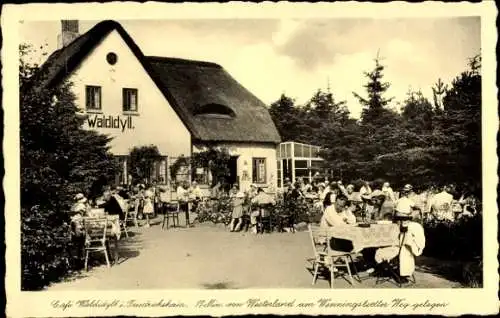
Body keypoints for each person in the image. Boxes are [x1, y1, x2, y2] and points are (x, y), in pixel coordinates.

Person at [374, 217, 426, 282]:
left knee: (379, 251)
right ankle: (389, 267)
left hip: (403, 249)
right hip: (409, 249)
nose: (400, 222)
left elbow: (402, 241)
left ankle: (386, 267)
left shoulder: (407, 229)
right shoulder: (416, 226)